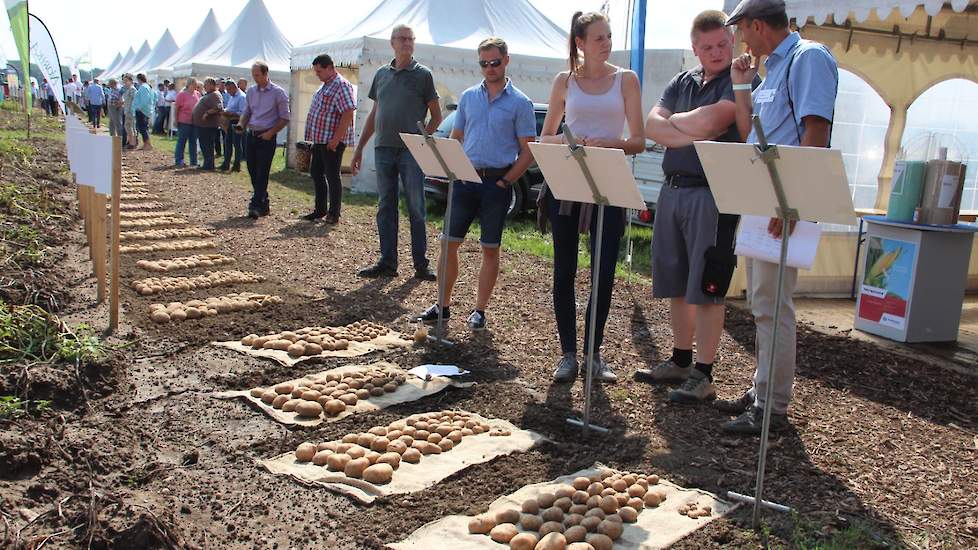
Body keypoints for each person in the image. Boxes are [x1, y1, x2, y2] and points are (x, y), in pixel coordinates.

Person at [717, 0, 838, 434]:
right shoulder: (771, 71)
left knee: (774, 305)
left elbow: (816, 130)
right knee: (762, 302)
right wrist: (742, 85)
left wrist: (795, 203)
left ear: (755, 25)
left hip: (785, 202)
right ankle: (762, 388)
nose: (740, 39)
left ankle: (773, 407)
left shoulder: (809, 58)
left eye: (741, 30)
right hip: (765, 197)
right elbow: (752, 135)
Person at [637, 10, 758, 403]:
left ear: (732, 41)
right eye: (707, 47)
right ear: (695, 48)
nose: (717, 52)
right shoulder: (682, 80)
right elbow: (650, 124)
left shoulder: (740, 81)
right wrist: (686, 127)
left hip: (713, 193)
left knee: (707, 285)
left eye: (723, 43)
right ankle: (680, 360)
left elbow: (716, 121)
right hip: (673, 190)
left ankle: (705, 374)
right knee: (676, 280)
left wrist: (675, 126)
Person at [538, 12, 645, 384]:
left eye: (609, 37)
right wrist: (573, 142)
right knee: (564, 269)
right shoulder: (564, 81)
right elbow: (546, 137)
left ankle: (593, 354)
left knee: (603, 272)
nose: (607, 43)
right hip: (568, 182)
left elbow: (639, 141)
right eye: (598, 37)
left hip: (609, 183)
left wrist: (608, 144)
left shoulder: (627, 79)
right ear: (580, 43)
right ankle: (568, 354)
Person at [414, 37, 536, 332]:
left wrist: (507, 181)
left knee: (490, 249)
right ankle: (442, 306)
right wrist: (448, 162)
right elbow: (457, 136)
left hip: (497, 182)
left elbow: (529, 149)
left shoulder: (521, 102)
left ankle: (480, 311)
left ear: (506, 60)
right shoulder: (468, 96)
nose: (489, 68)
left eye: (494, 62)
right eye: (484, 63)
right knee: (447, 243)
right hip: (465, 179)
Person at [351, 24, 442, 280]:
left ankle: (421, 264)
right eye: (402, 38)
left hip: (410, 152)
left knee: (416, 207)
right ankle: (388, 262)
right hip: (383, 148)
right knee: (385, 206)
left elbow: (436, 115)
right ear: (392, 42)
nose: (407, 43)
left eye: (411, 39)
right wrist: (359, 149)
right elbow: (374, 114)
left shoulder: (423, 75)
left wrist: (423, 142)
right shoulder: (381, 75)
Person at [302, 53, 356, 224]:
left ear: (329, 68)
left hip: (331, 141)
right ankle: (320, 210)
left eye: (319, 71)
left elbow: (348, 113)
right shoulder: (325, 85)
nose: (317, 74)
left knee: (332, 176)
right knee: (316, 173)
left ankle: (334, 213)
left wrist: (336, 139)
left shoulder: (341, 86)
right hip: (320, 140)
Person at [235, 60, 290, 219]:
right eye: (253, 75)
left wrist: (271, 133)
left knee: (262, 172)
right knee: (252, 170)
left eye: (257, 75)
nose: (255, 78)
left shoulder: (278, 93)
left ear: (266, 74)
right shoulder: (251, 91)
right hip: (251, 135)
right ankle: (263, 202)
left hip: (266, 136)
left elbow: (285, 118)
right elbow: (247, 111)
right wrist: (241, 124)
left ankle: (255, 204)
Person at [193, 77, 224, 171]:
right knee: (204, 145)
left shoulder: (215, 95)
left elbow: (219, 107)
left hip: (208, 125)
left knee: (207, 145)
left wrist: (207, 113)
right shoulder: (210, 94)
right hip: (203, 125)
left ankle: (209, 165)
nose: (204, 87)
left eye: (206, 85)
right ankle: (207, 164)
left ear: (211, 85)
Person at [220, 80, 246, 172]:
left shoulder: (242, 97)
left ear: (234, 87)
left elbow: (243, 113)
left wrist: (230, 113)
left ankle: (236, 165)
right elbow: (230, 107)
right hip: (230, 121)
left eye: (229, 90)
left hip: (238, 122)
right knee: (228, 143)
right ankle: (226, 163)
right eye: (227, 90)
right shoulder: (233, 96)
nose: (228, 92)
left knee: (237, 144)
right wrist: (225, 110)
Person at [174, 78, 201, 167]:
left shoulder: (197, 94)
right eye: (194, 84)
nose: (196, 86)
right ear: (190, 84)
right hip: (184, 121)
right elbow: (177, 108)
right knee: (182, 141)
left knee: (193, 142)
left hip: (194, 122)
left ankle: (194, 161)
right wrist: (176, 120)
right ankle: (179, 160)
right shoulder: (181, 95)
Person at [133, 74, 155, 150]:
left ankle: (147, 144)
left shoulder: (143, 87)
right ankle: (146, 143)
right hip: (145, 110)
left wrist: (139, 107)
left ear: (139, 79)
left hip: (142, 111)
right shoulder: (147, 87)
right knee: (143, 128)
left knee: (142, 128)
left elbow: (144, 100)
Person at [122, 75, 138, 150]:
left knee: (130, 127)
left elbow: (134, 101)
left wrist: (131, 110)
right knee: (128, 127)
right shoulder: (127, 89)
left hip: (131, 111)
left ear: (131, 81)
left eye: (126, 81)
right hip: (127, 110)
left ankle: (133, 143)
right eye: (124, 81)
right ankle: (131, 141)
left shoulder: (132, 89)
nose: (124, 83)